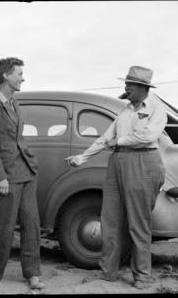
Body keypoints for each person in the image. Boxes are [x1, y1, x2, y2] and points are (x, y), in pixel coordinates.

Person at [66, 66, 167, 290]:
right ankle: (108, 271)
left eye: (130, 85)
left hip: (143, 162)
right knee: (110, 220)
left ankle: (142, 275)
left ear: (143, 87)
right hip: (118, 163)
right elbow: (105, 138)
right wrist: (83, 157)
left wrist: (118, 142)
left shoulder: (157, 109)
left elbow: (148, 136)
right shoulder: (125, 111)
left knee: (138, 222)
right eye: (126, 84)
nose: (126, 88)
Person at [0, 57, 44, 289]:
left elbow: (17, 139)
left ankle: (33, 273)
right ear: (6, 76)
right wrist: (0, 178)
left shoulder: (14, 102)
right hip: (8, 177)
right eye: (19, 74)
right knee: (5, 226)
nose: (22, 78)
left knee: (32, 225)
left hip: (26, 173)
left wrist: (31, 163)